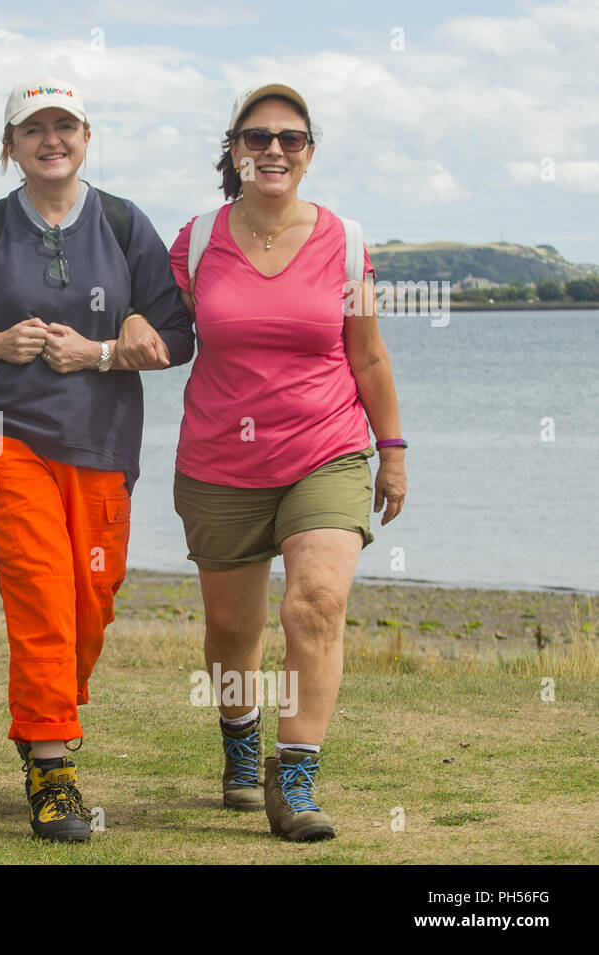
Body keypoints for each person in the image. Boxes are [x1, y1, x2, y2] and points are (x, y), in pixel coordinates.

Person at [0, 78, 194, 841]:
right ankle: (52, 767)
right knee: (40, 590)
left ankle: (51, 717)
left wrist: (106, 347)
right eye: (33, 128)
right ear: (11, 146)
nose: (50, 138)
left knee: (90, 600)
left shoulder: (127, 225)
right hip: (4, 434)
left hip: (101, 442)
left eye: (65, 125)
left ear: (87, 136)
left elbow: (176, 338)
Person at [164, 83, 407, 841]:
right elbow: (159, 335)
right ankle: (240, 743)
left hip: (326, 452)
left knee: (317, 602)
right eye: (257, 136)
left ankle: (295, 778)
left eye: (291, 138)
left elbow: (366, 355)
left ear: (308, 153)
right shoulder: (197, 241)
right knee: (233, 631)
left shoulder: (346, 239)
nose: (274, 149)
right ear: (233, 150)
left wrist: (391, 450)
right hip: (219, 461)